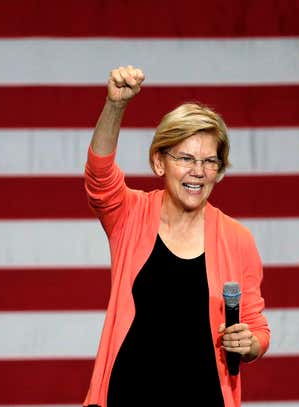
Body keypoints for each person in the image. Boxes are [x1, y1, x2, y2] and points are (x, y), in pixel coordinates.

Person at [82, 66, 270, 407]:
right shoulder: (131, 215)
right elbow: (99, 178)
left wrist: (250, 344)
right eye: (185, 158)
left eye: (210, 161)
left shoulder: (238, 239)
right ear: (159, 162)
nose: (198, 171)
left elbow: (257, 328)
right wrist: (115, 106)